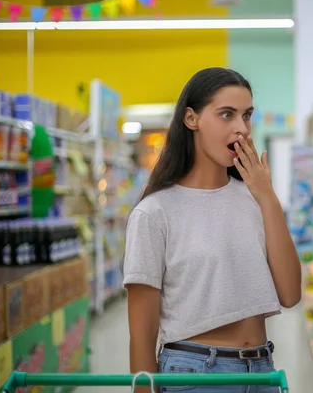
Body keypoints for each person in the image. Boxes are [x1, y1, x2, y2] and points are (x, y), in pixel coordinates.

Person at [122, 67, 302, 393]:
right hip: (195, 374)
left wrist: (268, 197)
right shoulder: (154, 212)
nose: (241, 129)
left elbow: (290, 294)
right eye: (226, 115)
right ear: (191, 119)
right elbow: (142, 331)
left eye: (246, 116)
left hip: (262, 370)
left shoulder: (255, 200)